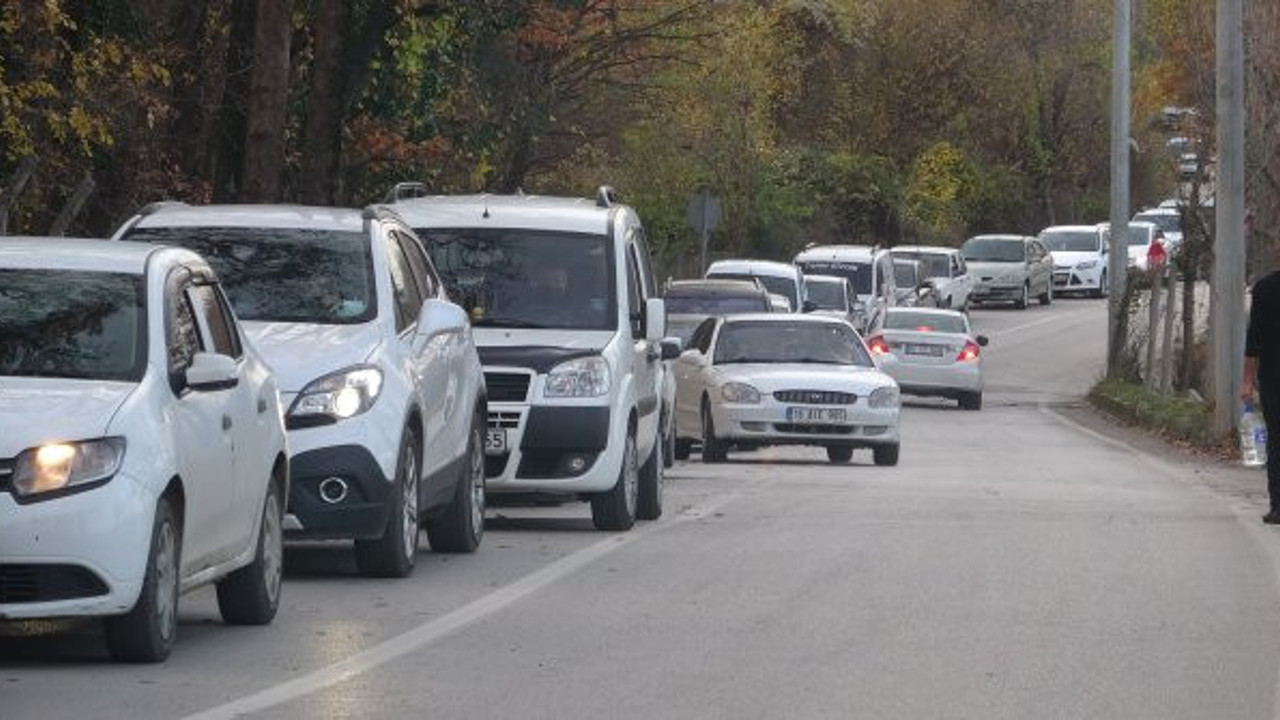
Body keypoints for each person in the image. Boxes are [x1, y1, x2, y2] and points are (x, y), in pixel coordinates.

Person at [1242, 243, 1280, 524]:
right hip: (1272, 376)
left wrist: (1246, 381)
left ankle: (1278, 506)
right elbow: (1254, 338)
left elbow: (1253, 341)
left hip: (1272, 376)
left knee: (1276, 441)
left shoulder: (1264, 289)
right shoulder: (1264, 289)